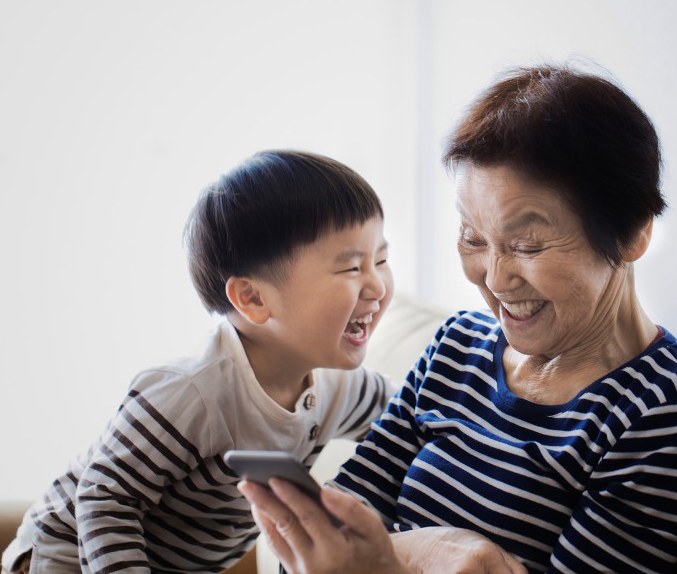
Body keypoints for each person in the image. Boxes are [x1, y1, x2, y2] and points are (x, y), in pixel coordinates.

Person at [238, 66, 677, 574]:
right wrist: (411, 554)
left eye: (526, 244)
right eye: (473, 237)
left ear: (632, 234)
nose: (494, 278)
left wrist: (381, 562)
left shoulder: (666, 410)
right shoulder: (456, 348)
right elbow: (329, 533)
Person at [1, 150, 396, 574]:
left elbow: (412, 416)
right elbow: (104, 497)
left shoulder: (341, 387)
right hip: (67, 553)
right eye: (352, 267)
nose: (376, 284)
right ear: (254, 299)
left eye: (381, 260)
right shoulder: (194, 391)